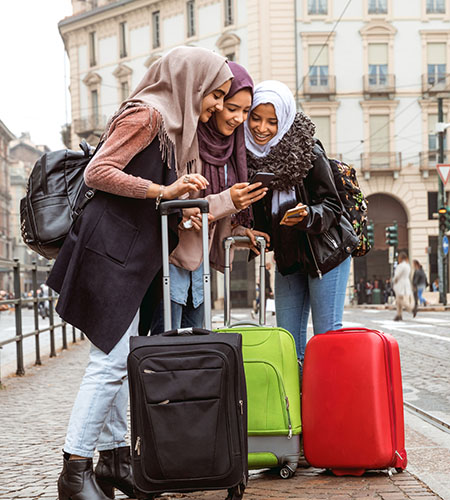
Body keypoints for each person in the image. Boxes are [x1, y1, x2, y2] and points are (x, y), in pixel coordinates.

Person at [47, 47, 233, 499]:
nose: (215, 107)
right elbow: (98, 171)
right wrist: (161, 189)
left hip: (127, 256)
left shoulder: (169, 124)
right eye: (216, 95)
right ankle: (75, 470)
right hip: (111, 255)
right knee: (108, 364)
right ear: (193, 81)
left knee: (116, 357)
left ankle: (113, 462)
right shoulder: (148, 115)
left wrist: (180, 202)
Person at [245, 80, 357, 365]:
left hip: (325, 253)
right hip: (288, 258)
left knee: (326, 338)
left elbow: (333, 205)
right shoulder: (245, 159)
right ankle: (297, 407)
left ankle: (329, 407)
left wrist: (308, 215)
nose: (262, 128)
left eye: (272, 121)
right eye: (256, 118)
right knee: (288, 344)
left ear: (283, 120)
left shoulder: (307, 151)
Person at [150, 61, 267, 333]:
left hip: (201, 265)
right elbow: (178, 201)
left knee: (198, 350)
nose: (238, 118)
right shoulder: (185, 138)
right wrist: (229, 201)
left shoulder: (232, 147)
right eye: (231, 107)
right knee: (166, 345)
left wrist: (238, 228)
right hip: (172, 259)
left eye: (245, 111)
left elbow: (215, 205)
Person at [392, 251, 412, 321]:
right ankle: (399, 315)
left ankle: (410, 308)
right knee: (399, 301)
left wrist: (394, 281)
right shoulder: (408, 265)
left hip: (400, 284)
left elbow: (397, 276)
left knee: (400, 300)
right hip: (406, 283)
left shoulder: (400, 266)